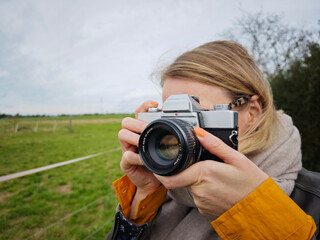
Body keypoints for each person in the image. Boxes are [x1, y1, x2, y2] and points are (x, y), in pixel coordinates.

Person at [106, 41, 317, 239]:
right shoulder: (166, 191)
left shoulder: (313, 199)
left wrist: (252, 211)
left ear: (252, 112)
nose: (175, 132)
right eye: (170, 116)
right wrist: (143, 196)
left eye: (198, 115)